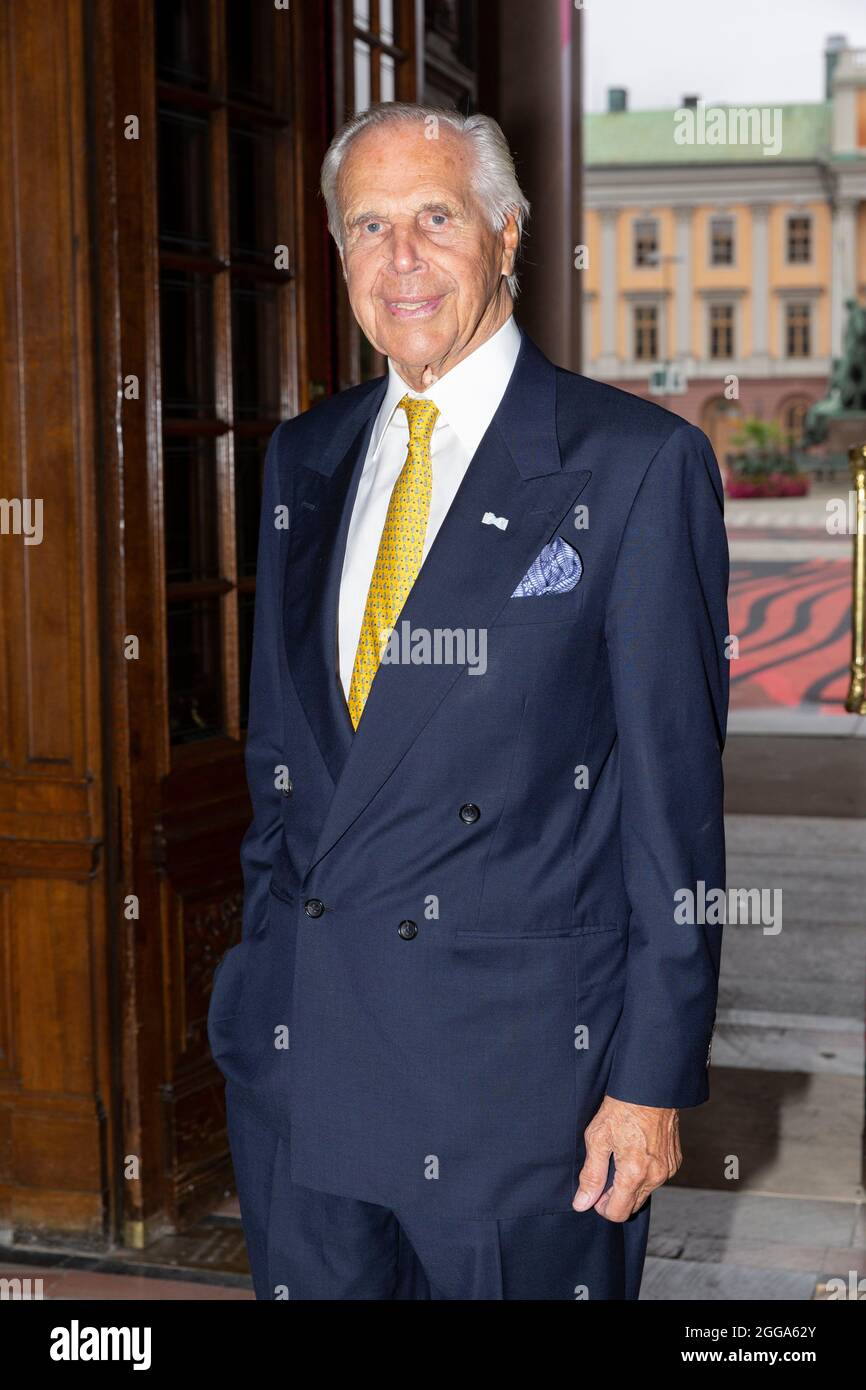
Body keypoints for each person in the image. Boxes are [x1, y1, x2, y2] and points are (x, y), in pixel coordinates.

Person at [207, 101, 730, 1301]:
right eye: (367, 226)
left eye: (433, 218)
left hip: (517, 1090)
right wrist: (259, 985)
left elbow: (673, 812)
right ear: (336, 257)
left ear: (506, 234)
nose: (400, 259)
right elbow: (282, 762)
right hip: (306, 1066)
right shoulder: (307, 455)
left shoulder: (631, 465)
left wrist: (647, 1082)